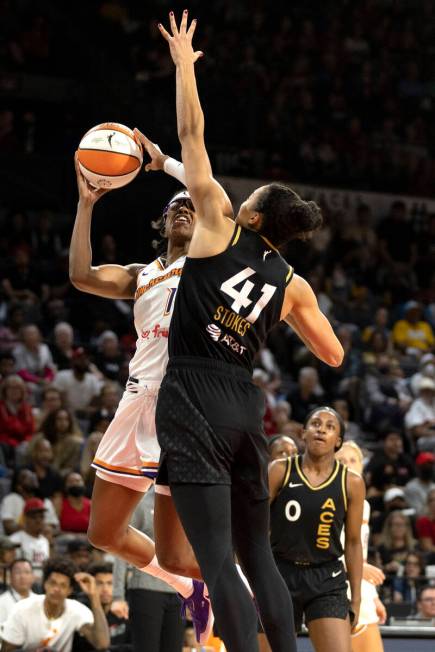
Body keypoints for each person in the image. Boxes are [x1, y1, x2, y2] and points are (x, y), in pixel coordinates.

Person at [155, 13, 343, 652]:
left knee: (215, 560)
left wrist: (184, 63)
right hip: (245, 401)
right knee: (257, 553)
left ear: (253, 213)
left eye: (247, 196)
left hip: (193, 392)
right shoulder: (293, 283)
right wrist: (279, 313)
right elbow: (334, 353)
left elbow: (190, 132)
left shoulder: (217, 224)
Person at [69, 133, 213, 644]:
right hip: (136, 398)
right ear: (161, 223)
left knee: (181, 543)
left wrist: (172, 169)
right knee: (102, 533)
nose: (182, 210)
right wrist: (87, 205)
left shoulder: (210, 265)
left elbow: (213, 194)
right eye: (175, 206)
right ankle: (187, 588)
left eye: (189, 207)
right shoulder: (142, 273)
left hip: (184, 405)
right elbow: (82, 275)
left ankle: (236, 585)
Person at [265, 407, 364, 652]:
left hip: (326, 579)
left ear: (338, 441)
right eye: (316, 424)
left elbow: (353, 542)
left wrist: (357, 598)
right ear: (303, 433)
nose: (321, 429)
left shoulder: (351, 482)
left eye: (330, 427)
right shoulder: (279, 470)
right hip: (279, 573)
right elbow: (253, 526)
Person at [112, 489, 185, 652]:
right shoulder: (141, 502)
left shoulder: (188, 504)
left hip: (180, 592)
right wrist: (117, 595)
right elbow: (121, 547)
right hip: (146, 588)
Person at [336, 441, 386, 652]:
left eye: (353, 460)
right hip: (334, 588)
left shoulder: (362, 504)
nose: (348, 465)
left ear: (361, 467)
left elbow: (361, 554)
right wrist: (358, 569)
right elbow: (320, 551)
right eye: (341, 460)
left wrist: (373, 596)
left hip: (359, 588)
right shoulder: (326, 500)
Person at [0, 557, 110, 652]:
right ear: (45, 584)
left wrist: (94, 596)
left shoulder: (77, 610)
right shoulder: (22, 609)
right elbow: (6, 650)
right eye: (53, 583)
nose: (57, 589)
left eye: (63, 585)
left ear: (69, 590)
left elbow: (102, 644)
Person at [0, 558, 35, 624]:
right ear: (10, 577)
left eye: (27, 572)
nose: (22, 576)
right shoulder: (1, 602)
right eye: (18, 572)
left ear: (33, 577)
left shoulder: (39, 601)